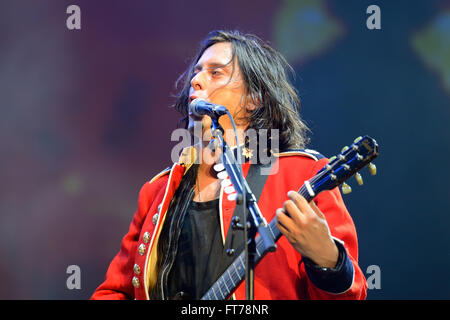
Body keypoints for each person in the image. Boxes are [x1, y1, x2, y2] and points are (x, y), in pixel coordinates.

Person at [91, 30, 367, 300]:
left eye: (215, 72)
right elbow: (115, 291)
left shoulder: (300, 174)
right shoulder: (158, 191)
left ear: (253, 99)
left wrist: (329, 260)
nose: (196, 80)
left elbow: (352, 295)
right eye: (196, 72)